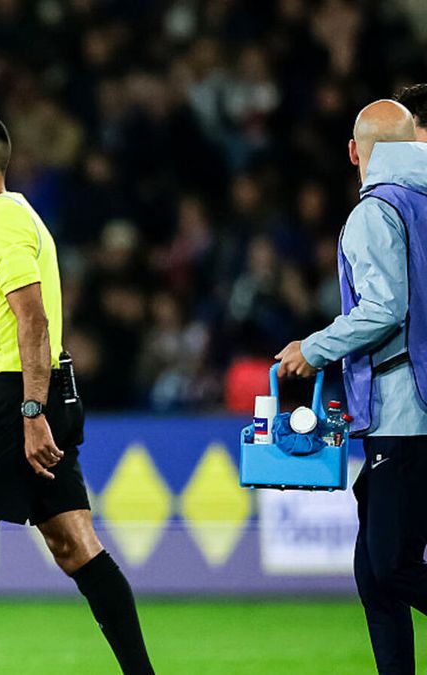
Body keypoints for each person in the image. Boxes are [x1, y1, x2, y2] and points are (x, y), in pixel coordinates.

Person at [0, 113, 154, 675]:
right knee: (75, 547)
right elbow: (9, 345)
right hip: (26, 394)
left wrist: (30, 412)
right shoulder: (6, 221)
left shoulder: (3, 222)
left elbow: (33, 322)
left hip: (25, 406)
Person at [275, 99, 427, 675]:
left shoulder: (375, 211)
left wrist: (312, 349)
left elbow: (385, 309)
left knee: (388, 568)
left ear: (354, 152)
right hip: (412, 412)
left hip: (404, 412)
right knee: (375, 572)